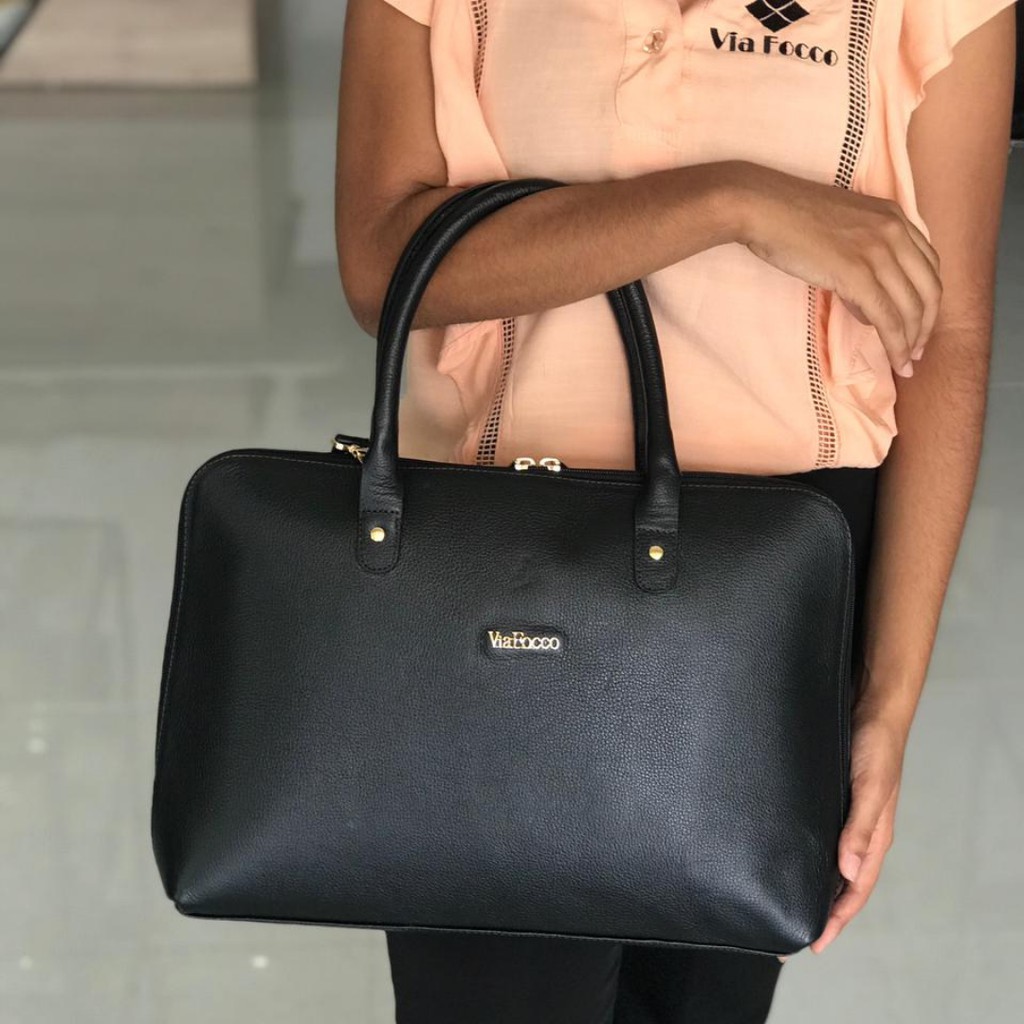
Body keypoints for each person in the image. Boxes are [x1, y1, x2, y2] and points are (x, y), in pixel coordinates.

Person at [334, 1, 1017, 1020]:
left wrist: (888, 698)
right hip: (493, 554)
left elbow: (947, 333)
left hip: (773, 585)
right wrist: (728, 202)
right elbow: (383, 260)